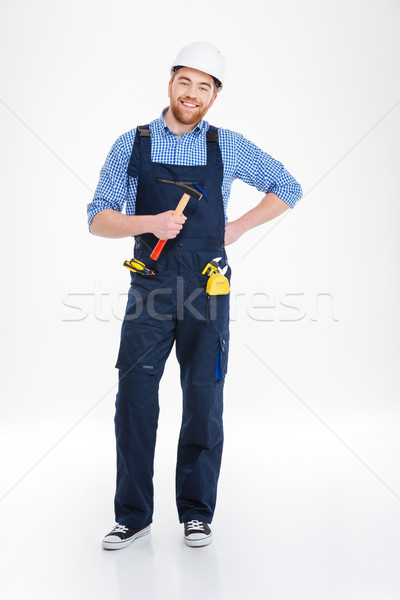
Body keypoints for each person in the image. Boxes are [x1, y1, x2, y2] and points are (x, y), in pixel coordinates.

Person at [87, 41, 302, 550]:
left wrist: (237, 227)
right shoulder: (131, 144)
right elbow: (97, 219)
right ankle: (133, 515)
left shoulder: (228, 145)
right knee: (135, 398)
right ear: (170, 83)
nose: (192, 93)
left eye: (204, 86)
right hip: (150, 289)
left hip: (209, 286)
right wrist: (151, 222)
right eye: (185, 81)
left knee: (204, 399)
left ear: (214, 96)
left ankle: (196, 514)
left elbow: (287, 187)